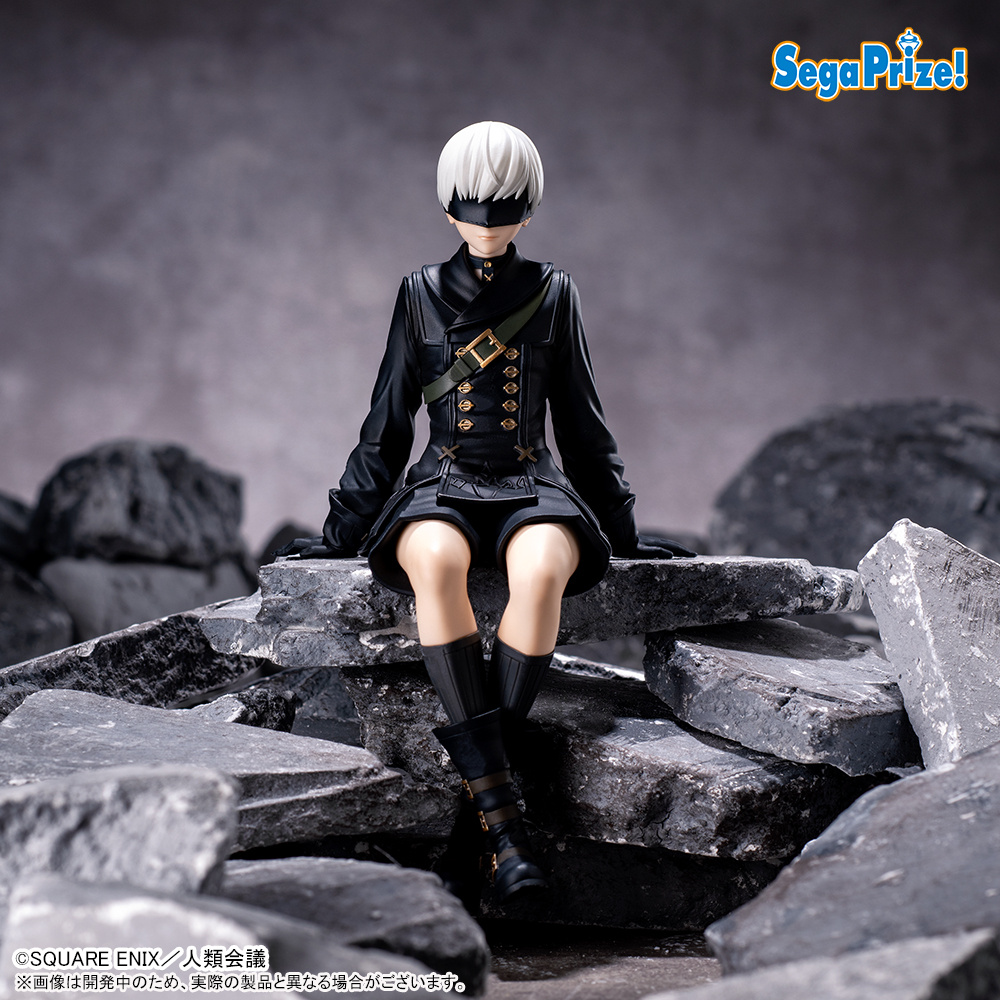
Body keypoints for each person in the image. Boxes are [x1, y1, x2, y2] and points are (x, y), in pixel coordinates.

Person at [280, 121, 692, 906]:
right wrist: (340, 530)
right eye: (474, 212)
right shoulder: (419, 294)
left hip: (532, 484)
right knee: (435, 562)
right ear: (448, 210)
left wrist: (624, 533)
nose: (489, 226)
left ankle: (480, 830)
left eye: (505, 212)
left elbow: (583, 424)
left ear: (528, 211)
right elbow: (387, 421)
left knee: (540, 570)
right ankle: (508, 835)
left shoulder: (554, 293)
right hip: (443, 482)